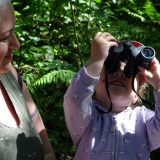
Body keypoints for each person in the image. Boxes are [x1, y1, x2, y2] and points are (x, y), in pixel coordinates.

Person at [63, 32, 160, 159]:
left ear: (137, 95)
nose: (119, 74)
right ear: (94, 86)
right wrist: (96, 60)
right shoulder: (86, 117)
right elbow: (75, 101)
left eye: (128, 73)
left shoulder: (143, 119)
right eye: (111, 69)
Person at [0, 0, 56, 159]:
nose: (17, 44)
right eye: (4, 37)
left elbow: (47, 151)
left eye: (13, 31)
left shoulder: (8, 73)